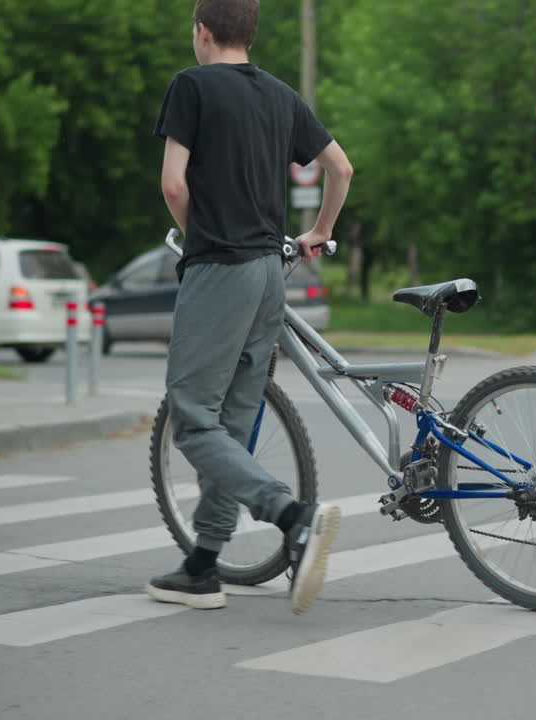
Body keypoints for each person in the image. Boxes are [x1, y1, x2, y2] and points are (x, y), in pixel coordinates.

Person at [144, 0, 353, 615]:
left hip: (221, 268)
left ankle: (293, 517)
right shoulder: (282, 95)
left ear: (203, 32)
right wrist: (318, 231)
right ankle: (205, 564)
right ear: (250, 33)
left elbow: (173, 184)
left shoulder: (192, 86)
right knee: (232, 424)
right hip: (269, 275)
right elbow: (340, 167)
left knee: (191, 418)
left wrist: (198, 234)